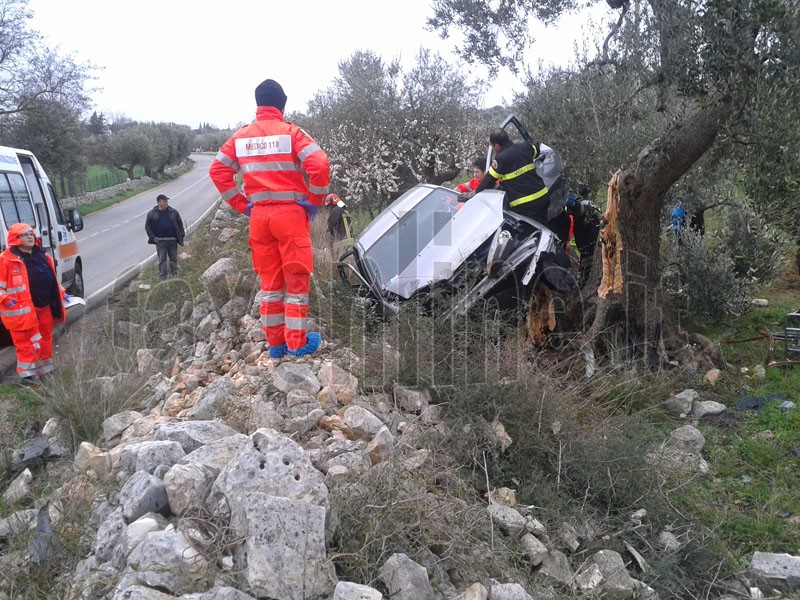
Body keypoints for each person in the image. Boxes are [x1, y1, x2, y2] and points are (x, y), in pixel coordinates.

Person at [209, 78, 330, 359]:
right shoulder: (292, 133)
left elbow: (218, 171)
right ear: (282, 104)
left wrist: (242, 204)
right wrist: (313, 202)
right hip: (290, 215)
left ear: (258, 103)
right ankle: (297, 343)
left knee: (270, 283)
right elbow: (320, 164)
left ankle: (276, 345)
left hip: (259, 218)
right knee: (297, 281)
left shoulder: (241, 137)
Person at [463, 128, 571, 245]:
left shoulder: (501, 159)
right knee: (545, 229)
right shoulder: (525, 147)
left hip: (524, 206)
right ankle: (555, 250)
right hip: (542, 198)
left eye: (493, 147)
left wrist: (473, 194)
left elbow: (489, 180)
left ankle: (545, 257)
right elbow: (538, 151)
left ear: (497, 146)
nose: (493, 150)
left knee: (532, 239)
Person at [0, 223, 67, 385]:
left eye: (31, 233)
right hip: (21, 311)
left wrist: (62, 294)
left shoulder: (43, 256)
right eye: (26, 234)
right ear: (16, 239)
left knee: (45, 339)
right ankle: (27, 377)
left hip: (44, 307)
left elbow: (52, 280)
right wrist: (7, 300)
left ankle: (46, 371)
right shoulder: (5, 260)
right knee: (25, 344)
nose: (30, 236)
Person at [145, 194, 185, 280]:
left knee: (173, 258)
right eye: (163, 201)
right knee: (162, 260)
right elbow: (147, 227)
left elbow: (180, 223)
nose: (166, 203)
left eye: (166, 201)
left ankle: (175, 275)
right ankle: (163, 278)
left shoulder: (173, 212)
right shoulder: (152, 214)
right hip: (160, 241)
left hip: (172, 240)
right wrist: (153, 237)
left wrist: (181, 235)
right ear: (158, 202)